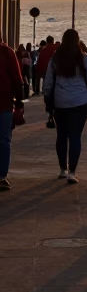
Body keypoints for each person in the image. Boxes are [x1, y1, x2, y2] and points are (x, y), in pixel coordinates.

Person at [43, 29, 87, 184]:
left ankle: (62, 169)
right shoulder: (84, 58)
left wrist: (48, 96)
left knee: (61, 136)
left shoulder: (56, 58)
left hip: (60, 103)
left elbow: (48, 82)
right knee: (75, 137)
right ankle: (72, 172)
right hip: (80, 103)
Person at [0, 37, 25, 189]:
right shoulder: (7, 52)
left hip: (5, 103)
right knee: (4, 140)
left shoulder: (7, 52)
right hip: (4, 104)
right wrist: (20, 102)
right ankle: (1, 176)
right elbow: (17, 78)